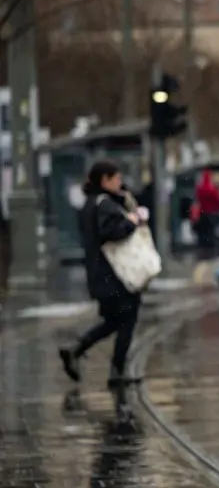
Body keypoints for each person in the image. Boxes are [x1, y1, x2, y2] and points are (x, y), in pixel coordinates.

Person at [59, 160, 148, 388]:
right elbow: (111, 232)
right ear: (105, 180)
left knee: (113, 320)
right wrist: (132, 221)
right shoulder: (104, 204)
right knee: (127, 318)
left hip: (99, 274)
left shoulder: (92, 203)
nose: (120, 182)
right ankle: (117, 372)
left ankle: (75, 351)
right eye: (116, 178)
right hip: (113, 274)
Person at [193, 170, 219, 255]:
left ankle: (203, 248)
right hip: (212, 213)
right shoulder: (212, 189)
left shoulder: (200, 188)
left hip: (202, 213)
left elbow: (197, 198)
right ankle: (210, 249)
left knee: (203, 232)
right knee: (211, 232)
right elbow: (217, 200)